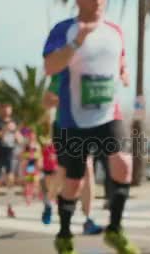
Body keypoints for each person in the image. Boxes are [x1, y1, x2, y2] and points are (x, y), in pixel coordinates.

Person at [43, 0, 137, 254]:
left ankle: (115, 230)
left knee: (123, 165)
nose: (99, 2)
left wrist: (123, 73)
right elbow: (50, 66)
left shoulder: (115, 31)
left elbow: (120, 62)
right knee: (74, 182)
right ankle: (64, 234)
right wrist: (76, 43)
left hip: (109, 114)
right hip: (73, 119)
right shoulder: (64, 30)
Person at [42, 75, 104, 234]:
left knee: (88, 169)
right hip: (64, 127)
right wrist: (71, 101)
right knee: (63, 172)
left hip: (86, 125)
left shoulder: (92, 70)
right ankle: (49, 201)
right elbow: (47, 101)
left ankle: (88, 219)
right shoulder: (64, 72)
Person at [0, 103, 23, 218]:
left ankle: (10, 207)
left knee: (11, 179)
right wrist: (4, 130)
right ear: (0, 109)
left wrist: (16, 133)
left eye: (8, 108)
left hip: (10, 154)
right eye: (4, 108)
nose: (6, 110)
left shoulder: (15, 122)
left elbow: (20, 140)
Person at [20, 127, 41, 206]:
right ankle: (28, 197)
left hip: (35, 164)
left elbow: (40, 155)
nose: (32, 137)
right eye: (30, 135)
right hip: (28, 165)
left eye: (33, 135)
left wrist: (39, 162)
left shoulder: (37, 145)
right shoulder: (26, 145)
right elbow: (22, 155)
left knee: (35, 181)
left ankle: (32, 195)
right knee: (28, 182)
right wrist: (24, 160)